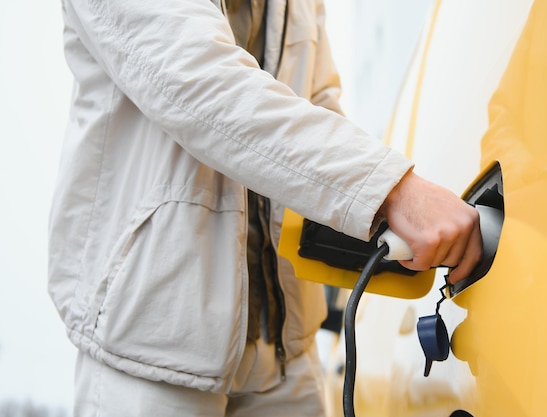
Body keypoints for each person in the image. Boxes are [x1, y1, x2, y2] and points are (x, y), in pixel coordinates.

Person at [47, 0, 482, 416]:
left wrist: (386, 219)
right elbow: (201, 81)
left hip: (287, 351)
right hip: (154, 350)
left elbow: (320, 107)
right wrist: (390, 190)